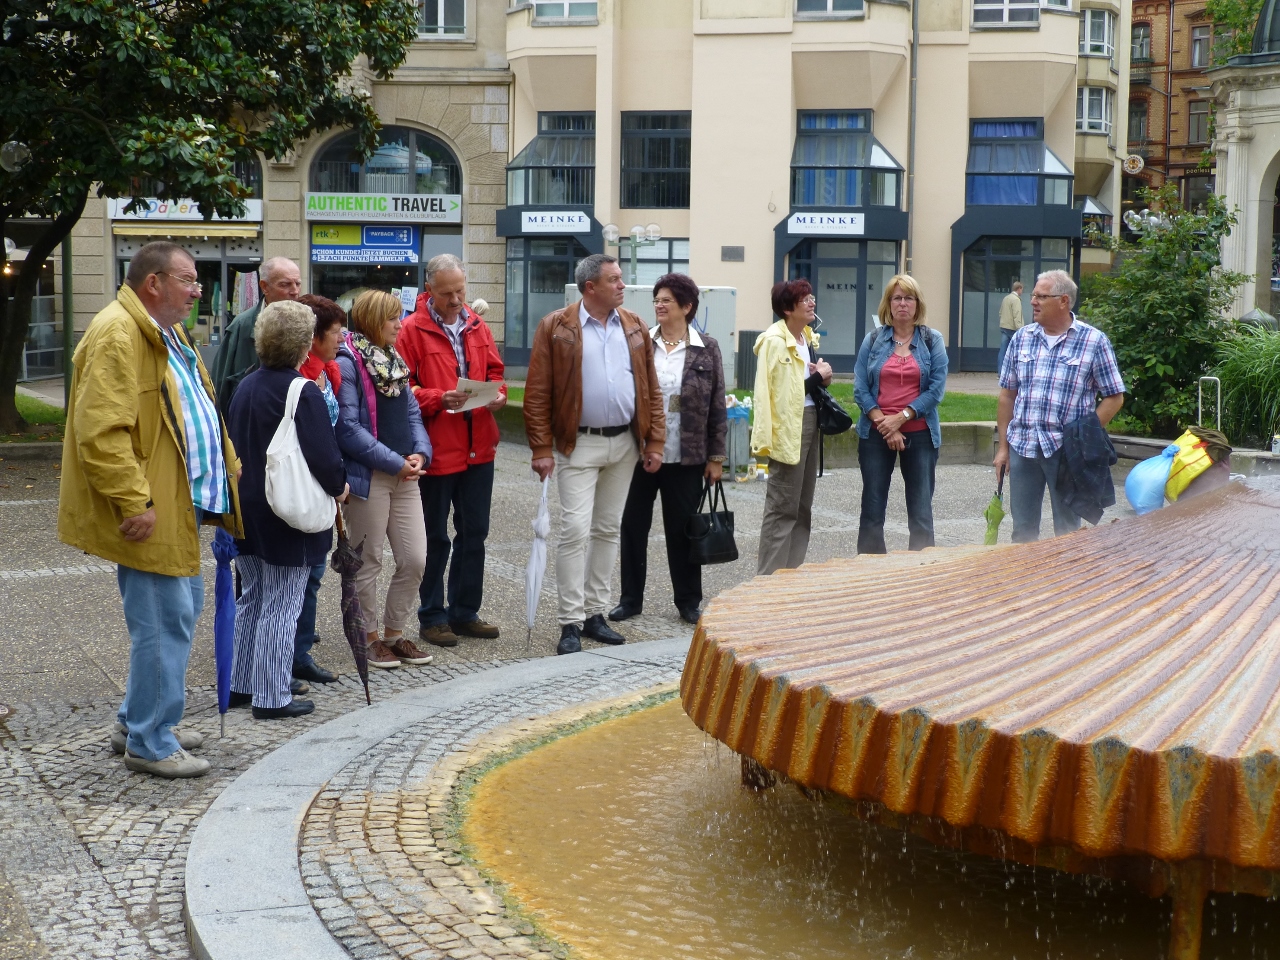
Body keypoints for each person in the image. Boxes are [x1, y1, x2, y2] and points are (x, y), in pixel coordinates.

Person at [58, 240, 243, 778]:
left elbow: (199, 406)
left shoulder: (165, 331)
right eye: (187, 279)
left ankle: (139, 719)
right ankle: (151, 741)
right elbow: (101, 433)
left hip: (177, 502)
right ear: (153, 283)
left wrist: (227, 464)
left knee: (177, 612)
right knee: (164, 622)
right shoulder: (120, 332)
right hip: (153, 505)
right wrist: (134, 500)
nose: (196, 289)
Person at [523, 253, 665, 655]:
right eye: (615, 280)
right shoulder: (556, 326)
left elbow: (651, 390)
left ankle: (594, 614)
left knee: (606, 529)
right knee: (574, 531)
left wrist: (654, 441)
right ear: (591, 287)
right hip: (577, 443)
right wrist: (540, 447)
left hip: (624, 444)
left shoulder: (634, 325)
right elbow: (536, 392)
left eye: (621, 279)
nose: (622, 285)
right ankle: (569, 620)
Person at [226, 301, 349, 719]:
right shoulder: (302, 390)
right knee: (282, 602)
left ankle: (241, 683)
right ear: (303, 345)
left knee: (253, 597)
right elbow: (324, 455)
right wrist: (340, 486)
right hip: (285, 512)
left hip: (247, 508)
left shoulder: (246, 385)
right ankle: (272, 694)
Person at [397, 254, 507, 649]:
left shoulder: (477, 326)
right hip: (438, 448)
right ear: (429, 291)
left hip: (480, 447)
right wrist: (437, 398)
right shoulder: (410, 330)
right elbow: (400, 388)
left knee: (474, 533)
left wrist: (498, 395)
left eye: (461, 291)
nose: (457, 299)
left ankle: (465, 612)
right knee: (434, 538)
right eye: (447, 294)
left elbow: (495, 372)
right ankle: (432, 616)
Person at [609, 273, 726, 625]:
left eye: (667, 301)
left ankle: (688, 601)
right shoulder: (640, 342)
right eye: (657, 299)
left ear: (686, 307)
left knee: (683, 529)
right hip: (640, 451)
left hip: (687, 454)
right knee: (632, 526)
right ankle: (630, 599)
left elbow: (718, 404)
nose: (659, 305)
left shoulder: (707, 347)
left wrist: (716, 457)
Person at [335, 289, 435, 668]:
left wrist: (420, 453)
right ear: (374, 321)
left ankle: (395, 633)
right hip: (370, 476)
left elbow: (413, 416)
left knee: (415, 559)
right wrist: (395, 461)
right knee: (368, 560)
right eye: (393, 318)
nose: (400, 323)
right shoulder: (349, 361)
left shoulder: (394, 360)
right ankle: (370, 637)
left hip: (405, 476)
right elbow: (348, 427)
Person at [994, 269, 1126, 542]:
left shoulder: (1093, 341)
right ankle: (1023, 582)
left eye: (1041, 296)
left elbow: (1115, 396)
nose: (1033, 302)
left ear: (1063, 301)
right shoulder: (1022, 338)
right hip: (1023, 446)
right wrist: (1003, 448)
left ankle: (1066, 582)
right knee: (1022, 531)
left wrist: (1085, 434)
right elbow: (1007, 395)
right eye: (1033, 296)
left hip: (1066, 451)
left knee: (1067, 532)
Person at [853, 274, 949, 554]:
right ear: (888, 304)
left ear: (917, 304)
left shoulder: (933, 341)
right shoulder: (873, 340)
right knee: (872, 507)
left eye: (909, 298)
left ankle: (920, 572)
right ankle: (871, 570)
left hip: (919, 434)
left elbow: (936, 391)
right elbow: (860, 387)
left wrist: (902, 417)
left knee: (921, 510)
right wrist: (886, 423)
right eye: (897, 298)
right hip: (875, 433)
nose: (903, 304)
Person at [751, 278, 832, 576]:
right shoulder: (774, 341)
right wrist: (815, 377)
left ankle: (790, 575)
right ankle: (768, 581)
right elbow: (769, 394)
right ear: (787, 308)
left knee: (802, 507)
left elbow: (802, 387)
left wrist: (821, 377)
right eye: (804, 298)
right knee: (782, 506)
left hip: (810, 422)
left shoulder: (805, 338)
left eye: (812, 297)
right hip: (787, 428)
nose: (812, 302)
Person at [287, 293, 348, 684]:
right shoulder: (302, 377)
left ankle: (301, 649)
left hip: (324, 484)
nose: (342, 339)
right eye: (336, 332)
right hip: (303, 484)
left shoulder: (328, 372)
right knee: (299, 576)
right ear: (314, 336)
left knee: (313, 574)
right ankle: (290, 655)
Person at [210, 257, 302, 401]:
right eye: (285, 284)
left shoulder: (307, 323)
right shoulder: (242, 326)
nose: (295, 291)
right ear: (264, 287)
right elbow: (220, 385)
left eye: (297, 284)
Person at [997, 280, 1024, 375]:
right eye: (1022, 289)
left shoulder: (1006, 298)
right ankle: (1016, 372)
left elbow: (1000, 312)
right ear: (1019, 289)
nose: (1022, 292)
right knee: (1017, 350)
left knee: (1003, 351)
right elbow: (1017, 315)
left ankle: (1000, 372)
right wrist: (1020, 329)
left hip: (1004, 326)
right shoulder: (1016, 300)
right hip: (1013, 328)